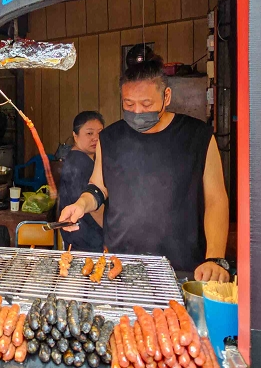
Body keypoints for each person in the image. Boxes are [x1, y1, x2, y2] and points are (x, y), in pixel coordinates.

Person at [59, 58, 231, 282]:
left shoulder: (198, 136)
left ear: (166, 96)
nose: (137, 112)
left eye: (147, 104)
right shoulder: (110, 138)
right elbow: (98, 187)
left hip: (182, 265)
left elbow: (216, 199)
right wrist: (80, 205)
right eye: (129, 104)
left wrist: (215, 258)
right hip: (120, 263)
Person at [57, 111, 105, 250]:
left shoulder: (82, 159)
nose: (96, 138)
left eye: (100, 133)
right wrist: (111, 233)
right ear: (75, 135)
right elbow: (95, 208)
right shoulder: (80, 162)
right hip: (86, 240)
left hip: (81, 237)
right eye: (89, 133)